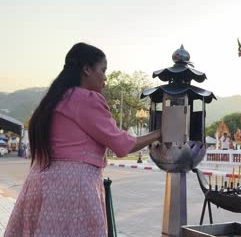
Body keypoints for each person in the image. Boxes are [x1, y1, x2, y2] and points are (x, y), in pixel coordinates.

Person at [5, 43, 161, 237]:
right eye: (103, 70)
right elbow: (122, 144)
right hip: (72, 186)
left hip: (39, 182)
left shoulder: (53, 99)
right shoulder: (86, 99)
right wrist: (158, 133)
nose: (105, 77)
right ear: (86, 69)